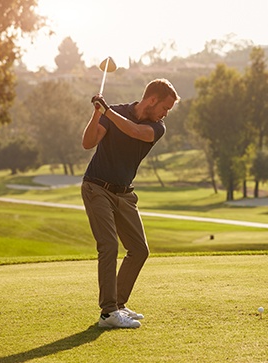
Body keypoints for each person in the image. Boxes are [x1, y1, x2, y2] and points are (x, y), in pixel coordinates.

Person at [81, 79, 180, 328]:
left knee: (139, 249)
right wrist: (97, 115)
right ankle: (108, 313)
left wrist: (107, 112)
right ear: (152, 100)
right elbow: (88, 143)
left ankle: (119, 305)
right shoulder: (114, 111)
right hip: (96, 187)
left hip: (124, 194)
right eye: (165, 107)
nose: (165, 114)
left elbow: (135, 132)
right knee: (109, 245)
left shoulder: (156, 127)